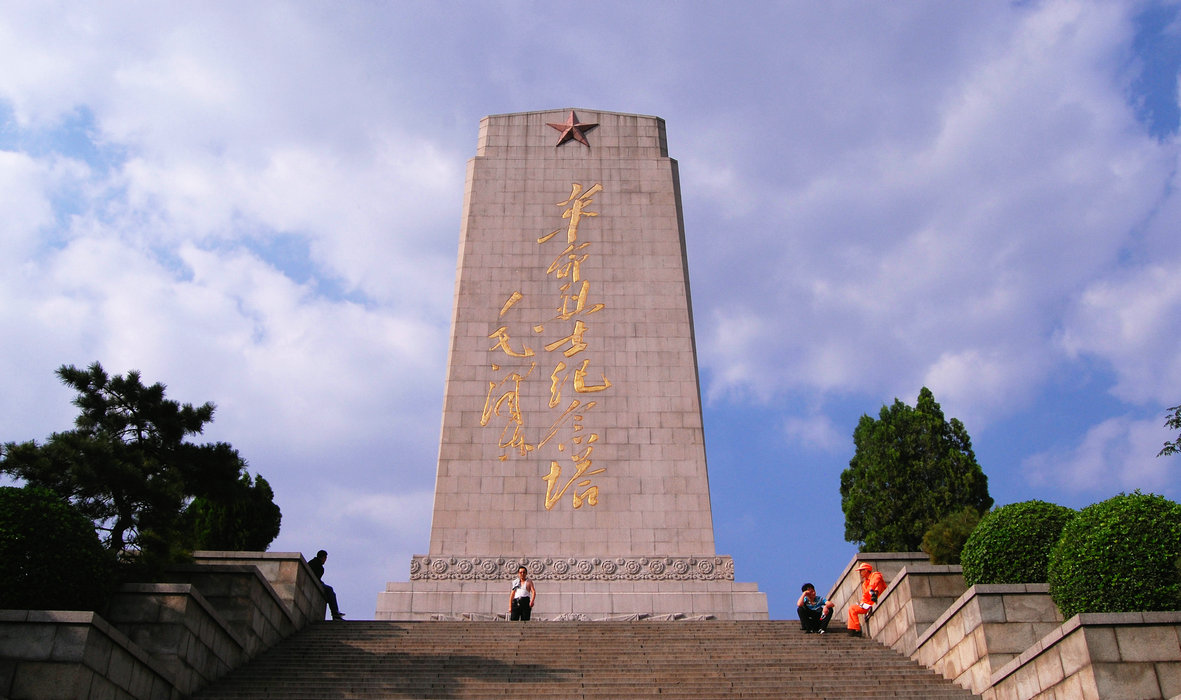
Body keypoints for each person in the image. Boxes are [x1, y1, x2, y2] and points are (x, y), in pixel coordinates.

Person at [847, 561, 886, 636]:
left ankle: (874, 595)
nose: (860, 573)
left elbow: (875, 581)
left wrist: (872, 589)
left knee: (878, 583)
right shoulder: (864, 584)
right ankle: (855, 629)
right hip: (869, 604)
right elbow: (865, 596)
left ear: (866, 570)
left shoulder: (875, 574)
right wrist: (862, 604)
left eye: (861, 571)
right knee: (852, 608)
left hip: (878, 596)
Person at [309, 549, 345, 621]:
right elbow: (316, 578)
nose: (325, 560)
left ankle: (335, 612)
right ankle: (335, 613)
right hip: (313, 583)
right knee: (329, 590)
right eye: (325, 558)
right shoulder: (318, 565)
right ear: (323, 558)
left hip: (315, 582)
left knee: (330, 591)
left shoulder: (312, 562)